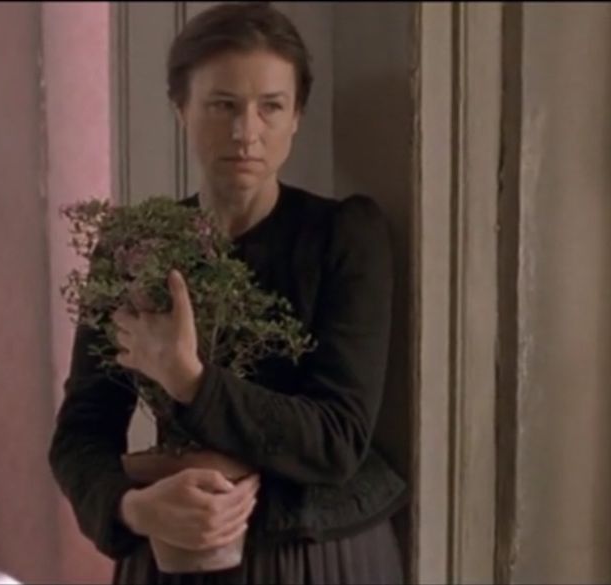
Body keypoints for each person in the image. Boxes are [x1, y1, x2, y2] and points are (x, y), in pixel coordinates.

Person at [48, 3, 408, 583]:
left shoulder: (342, 236)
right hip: (171, 547)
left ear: (296, 117)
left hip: (319, 556)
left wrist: (190, 380)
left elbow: (337, 440)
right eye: (222, 106)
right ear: (181, 109)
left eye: (271, 107)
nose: (247, 133)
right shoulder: (135, 248)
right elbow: (81, 430)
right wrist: (131, 507)